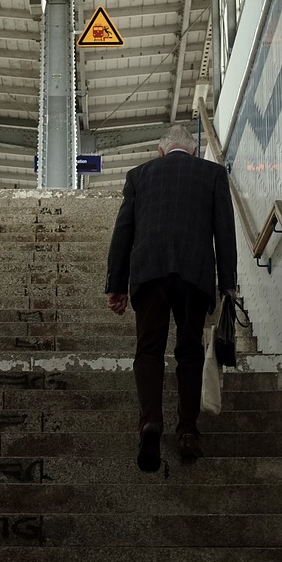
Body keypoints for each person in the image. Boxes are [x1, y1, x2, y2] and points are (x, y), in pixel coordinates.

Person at [105, 123, 237, 472]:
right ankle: (188, 432)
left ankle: (151, 422)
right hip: (195, 274)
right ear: (193, 151)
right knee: (190, 350)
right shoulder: (212, 173)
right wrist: (228, 284)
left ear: (161, 151)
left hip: (149, 271)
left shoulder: (139, 175)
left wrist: (116, 285)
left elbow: (123, 231)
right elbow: (225, 231)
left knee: (148, 349)